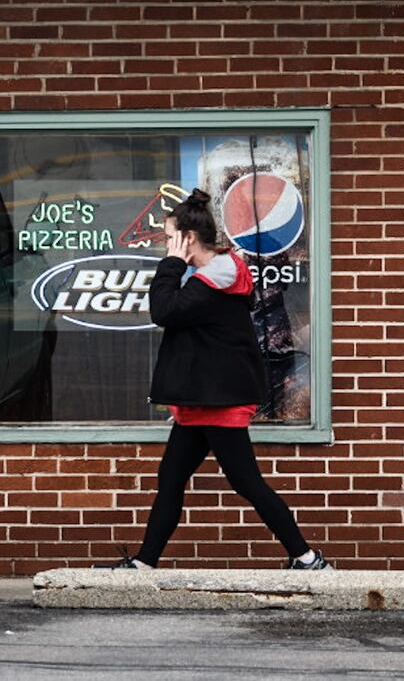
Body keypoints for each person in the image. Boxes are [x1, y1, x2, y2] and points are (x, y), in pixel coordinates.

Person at [100, 188, 331, 571]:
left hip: (220, 403)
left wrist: (172, 264)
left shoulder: (213, 280)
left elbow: (164, 309)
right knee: (171, 479)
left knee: (246, 482)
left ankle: (306, 557)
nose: (166, 245)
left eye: (170, 237)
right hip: (200, 401)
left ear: (188, 238)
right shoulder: (210, 279)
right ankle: (144, 563)